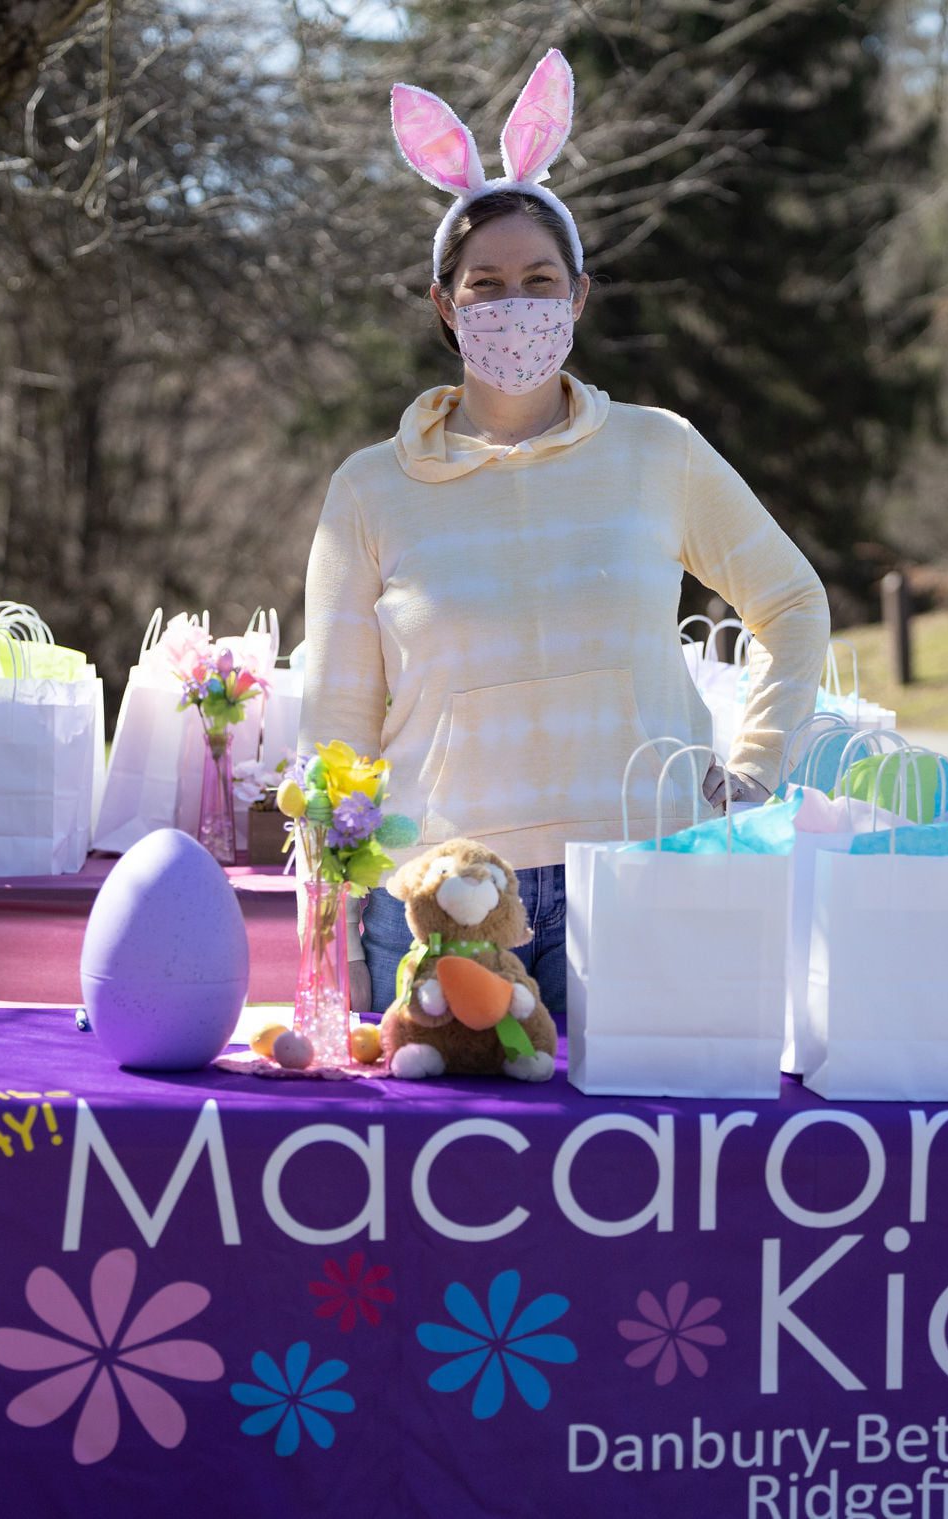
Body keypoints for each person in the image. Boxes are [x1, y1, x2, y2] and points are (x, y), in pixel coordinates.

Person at [299, 49, 828, 1022]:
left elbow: (792, 602)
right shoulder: (370, 488)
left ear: (578, 298)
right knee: (438, 1164)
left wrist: (751, 768)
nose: (514, 307)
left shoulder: (658, 452)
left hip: (643, 873)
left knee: (645, 1161)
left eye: (539, 281)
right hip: (436, 896)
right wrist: (327, 896)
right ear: (443, 306)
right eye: (486, 285)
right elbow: (335, 719)